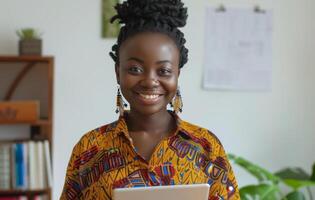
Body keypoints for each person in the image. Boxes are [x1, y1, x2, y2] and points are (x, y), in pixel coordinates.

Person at [60, 0, 239, 199]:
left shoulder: (206, 147)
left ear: (177, 75)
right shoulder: (89, 148)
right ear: (117, 72)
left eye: (164, 71)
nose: (149, 81)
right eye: (135, 69)